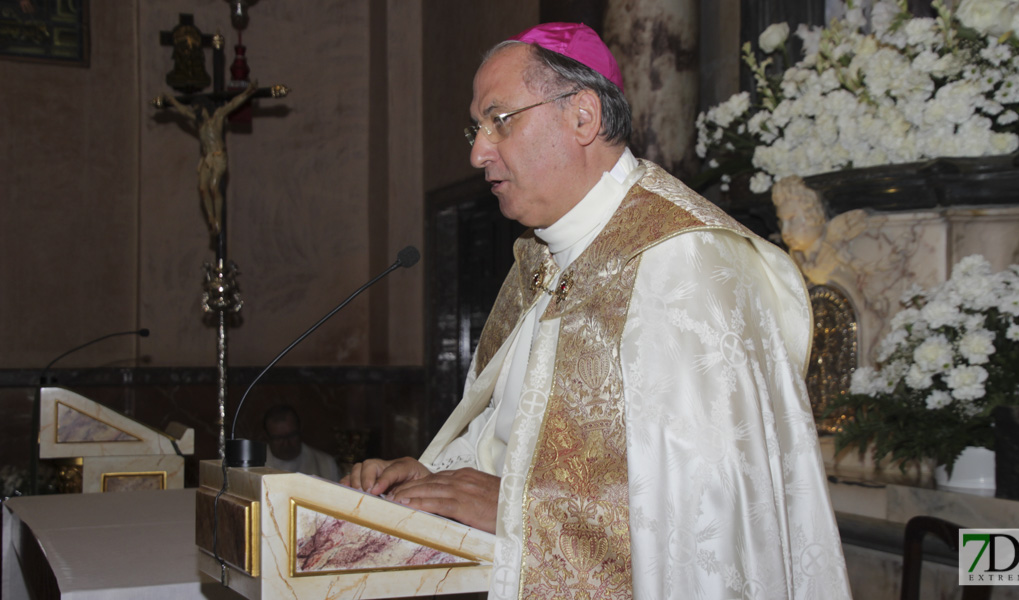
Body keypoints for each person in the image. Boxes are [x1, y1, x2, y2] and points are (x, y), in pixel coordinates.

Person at [343, 22, 852, 599]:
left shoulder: (680, 262)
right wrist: (435, 480)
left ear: (582, 117)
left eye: (499, 120)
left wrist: (515, 508)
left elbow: (704, 521)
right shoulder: (539, 262)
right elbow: (512, 433)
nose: (478, 151)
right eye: (476, 126)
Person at [157, 80, 257, 236]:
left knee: (214, 187)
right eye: (196, 111)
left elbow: (233, 104)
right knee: (203, 189)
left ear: (205, 108)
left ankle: (218, 221)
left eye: (199, 110)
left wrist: (247, 92)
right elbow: (183, 111)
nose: (197, 114)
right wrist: (172, 100)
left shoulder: (217, 117)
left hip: (218, 157)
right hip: (206, 158)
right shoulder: (200, 123)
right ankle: (210, 218)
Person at [262, 404, 339, 481]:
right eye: (278, 438)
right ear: (267, 437)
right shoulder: (257, 465)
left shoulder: (326, 464)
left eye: (291, 435)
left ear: (300, 429)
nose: (286, 443)